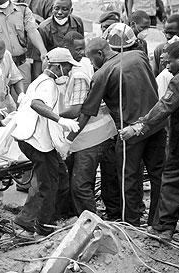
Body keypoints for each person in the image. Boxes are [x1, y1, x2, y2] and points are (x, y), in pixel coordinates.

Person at [61, 38, 166, 227]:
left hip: (129, 132)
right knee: (158, 175)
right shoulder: (139, 55)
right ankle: (157, 222)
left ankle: (131, 224)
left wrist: (68, 140)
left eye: (91, 59)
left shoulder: (102, 74)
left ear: (100, 54)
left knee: (128, 178)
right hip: (155, 124)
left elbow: (86, 112)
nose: (92, 64)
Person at [11, 48, 80, 237]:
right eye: (66, 67)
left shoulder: (43, 81)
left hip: (37, 140)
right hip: (35, 141)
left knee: (60, 177)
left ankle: (45, 219)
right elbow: (36, 104)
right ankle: (38, 227)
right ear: (57, 67)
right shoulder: (47, 84)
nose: (68, 71)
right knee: (48, 184)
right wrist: (60, 120)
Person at [119, 40, 179, 241]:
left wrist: (140, 126)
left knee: (171, 179)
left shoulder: (178, 81)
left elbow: (165, 106)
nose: (166, 67)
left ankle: (163, 228)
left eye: (168, 62)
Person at [61, 31, 117, 216]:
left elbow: (78, 110)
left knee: (80, 184)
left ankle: (90, 223)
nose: (80, 52)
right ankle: (114, 216)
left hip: (90, 136)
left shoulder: (77, 73)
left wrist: (51, 115)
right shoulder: (85, 62)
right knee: (109, 180)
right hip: (104, 131)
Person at [0, 0, 48, 91]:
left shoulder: (23, 10)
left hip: (21, 64)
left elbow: (32, 31)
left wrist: (43, 51)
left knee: (23, 98)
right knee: (2, 99)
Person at [32, 0, 84, 81]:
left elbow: (81, 47)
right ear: (52, 9)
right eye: (56, 8)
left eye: (64, 9)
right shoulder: (44, 28)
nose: (59, 12)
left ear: (71, 10)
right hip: (54, 71)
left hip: (74, 67)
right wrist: (39, 80)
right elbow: (38, 59)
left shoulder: (78, 23)